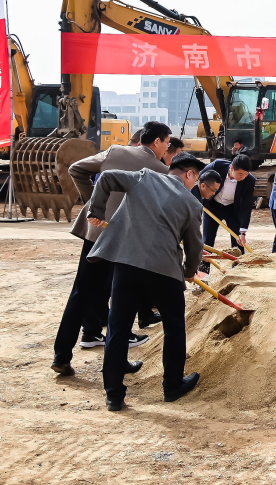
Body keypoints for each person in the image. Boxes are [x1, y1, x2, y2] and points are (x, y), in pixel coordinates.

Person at [84, 153, 205, 410]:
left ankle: (114, 395)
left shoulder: (144, 178)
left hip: (127, 265)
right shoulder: (192, 204)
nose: (194, 185)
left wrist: (96, 211)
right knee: (174, 328)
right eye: (196, 179)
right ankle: (172, 386)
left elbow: (106, 177)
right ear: (189, 174)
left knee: (117, 328)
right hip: (165, 271)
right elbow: (195, 246)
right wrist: (189, 271)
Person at [52, 120, 170, 374]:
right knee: (120, 300)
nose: (166, 149)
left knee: (81, 291)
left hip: (95, 232)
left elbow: (76, 169)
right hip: (125, 240)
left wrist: (96, 203)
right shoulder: (161, 170)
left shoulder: (115, 151)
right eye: (167, 143)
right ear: (156, 142)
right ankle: (117, 363)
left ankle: (61, 356)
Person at [194, 153, 256, 256]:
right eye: (240, 174)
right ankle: (204, 265)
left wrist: (243, 232)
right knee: (207, 240)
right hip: (212, 207)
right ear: (232, 168)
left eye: (246, 174)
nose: (243, 177)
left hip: (232, 210)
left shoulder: (249, 180)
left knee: (238, 242)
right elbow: (199, 178)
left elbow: (246, 206)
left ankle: (238, 265)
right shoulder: (217, 166)